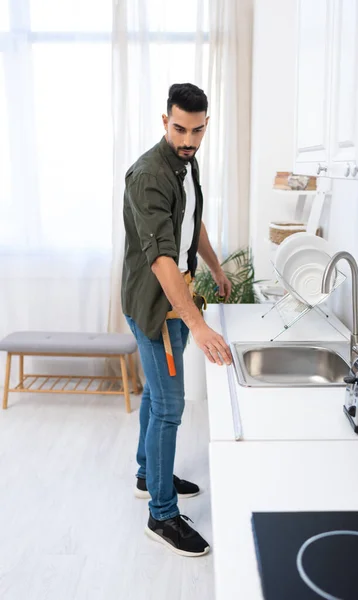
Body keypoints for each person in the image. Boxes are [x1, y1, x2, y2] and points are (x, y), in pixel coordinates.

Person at [121, 83, 232, 557]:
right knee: (169, 406)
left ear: (206, 126)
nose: (188, 139)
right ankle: (161, 515)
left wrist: (216, 266)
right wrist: (199, 324)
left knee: (156, 396)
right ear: (163, 121)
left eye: (197, 130)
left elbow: (193, 223)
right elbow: (163, 260)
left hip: (176, 299)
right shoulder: (149, 175)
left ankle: (150, 475)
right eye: (179, 128)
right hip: (157, 304)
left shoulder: (186, 162)